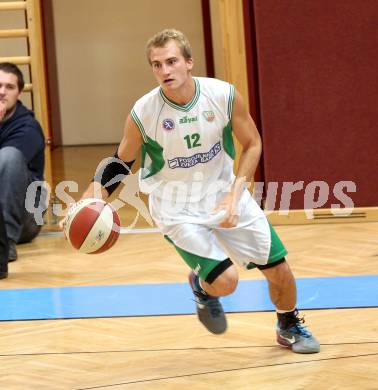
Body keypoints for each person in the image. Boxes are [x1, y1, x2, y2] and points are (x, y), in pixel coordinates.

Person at [73, 29, 320, 353]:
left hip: (223, 193)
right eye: (157, 65)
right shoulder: (144, 112)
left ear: (189, 62)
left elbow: (253, 143)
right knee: (226, 283)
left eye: (172, 61)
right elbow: (121, 161)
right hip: (177, 209)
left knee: (281, 272)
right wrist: (91, 198)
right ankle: (204, 288)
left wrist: (235, 193)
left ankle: (288, 325)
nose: (165, 71)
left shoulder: (223, 96)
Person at [0, 62, 46, 264]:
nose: (2, 92)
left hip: (25, 216)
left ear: (19, 93)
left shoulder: (28, 128)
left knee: (9, 156)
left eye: (9, 87)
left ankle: (5, 242)